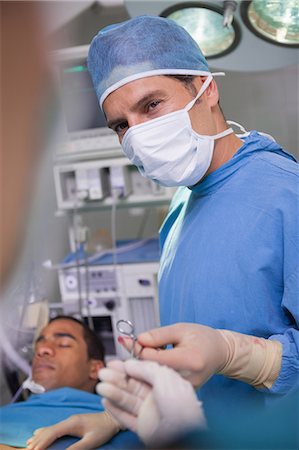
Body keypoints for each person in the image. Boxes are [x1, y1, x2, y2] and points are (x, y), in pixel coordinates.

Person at [85, 13, 299, 432]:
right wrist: (124, 414)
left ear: (207, 87)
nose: (138, 134)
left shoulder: (285, 195)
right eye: (121, 125)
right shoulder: (182, 204)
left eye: (151, 105)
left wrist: (237, 354)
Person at [0, 316, 141, 449]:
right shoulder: (6, 413)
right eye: (39, 345)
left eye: (63, 344)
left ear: (95, 369)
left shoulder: (129, 421)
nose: (42, 350)